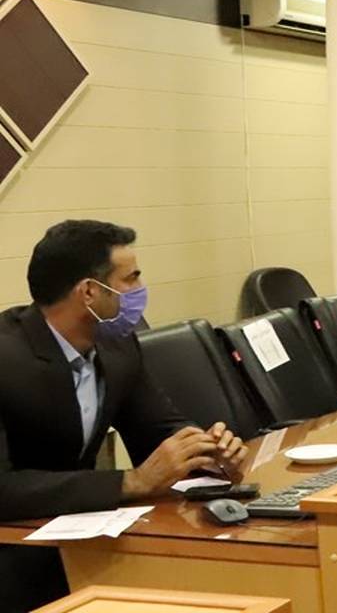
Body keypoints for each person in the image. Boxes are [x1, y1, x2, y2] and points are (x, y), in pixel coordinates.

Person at [0, 221, 248, 612]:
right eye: (130, 279)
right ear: (89, 292)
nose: (140, 290)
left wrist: (207, 453)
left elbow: (159, 427)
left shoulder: (116, 346)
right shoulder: (7, 356)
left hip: (79, 538)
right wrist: (130, 482)